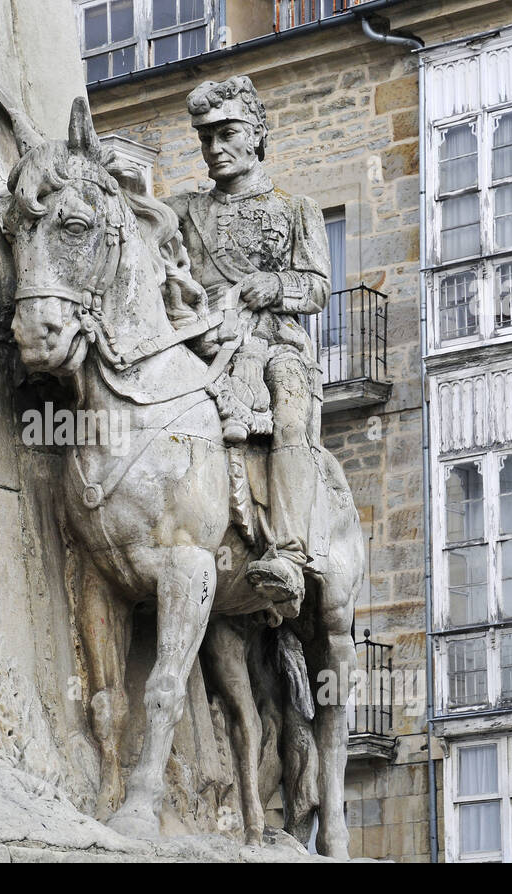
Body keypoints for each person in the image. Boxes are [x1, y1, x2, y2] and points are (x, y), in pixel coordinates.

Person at [165, 75, 331, 617]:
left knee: (289, 408)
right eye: (205, 137)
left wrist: (277, 286)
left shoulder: (295, 207)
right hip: (202, 342)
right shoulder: (183, 212)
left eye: (227, 133)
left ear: (256, 134)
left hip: (272, 341)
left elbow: (318, 286)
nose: (214, 148)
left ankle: (288, 552)